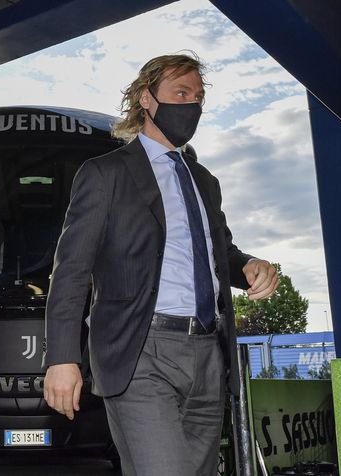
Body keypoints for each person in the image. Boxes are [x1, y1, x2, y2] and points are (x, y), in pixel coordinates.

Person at [42, 53, 279, 476]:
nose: (192, 106)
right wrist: (61, 358)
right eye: (181, 93)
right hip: (140, 352)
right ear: (145, 98)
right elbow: (71, 269)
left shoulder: (204, 180)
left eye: (199, 97)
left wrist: (250, 265)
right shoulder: (105, 174)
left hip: (209, 354)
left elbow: (219, 251)